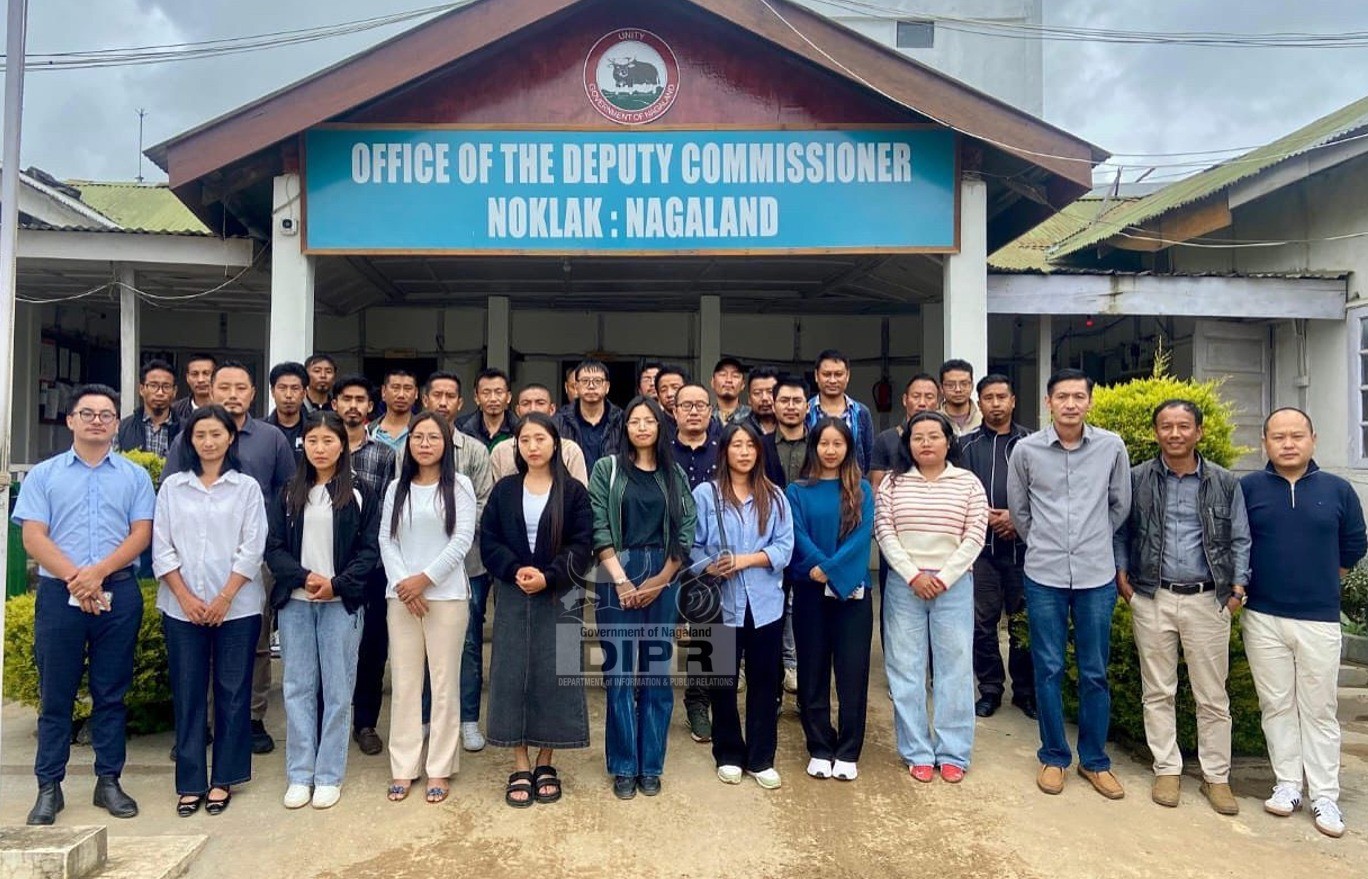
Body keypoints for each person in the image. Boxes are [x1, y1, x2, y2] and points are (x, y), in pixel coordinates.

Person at [15, 384, 156, 826]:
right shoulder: (45, 474)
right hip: (61, 597)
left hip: (118, 592)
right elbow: (33, 535)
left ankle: (108, 781)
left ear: (116, 424)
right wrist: (78, 579)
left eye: (107, 415)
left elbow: (141, 533)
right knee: (55, 696)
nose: (98, 420)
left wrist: (96, 575)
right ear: (71, 419)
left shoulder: (133, 476)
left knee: (111, 694)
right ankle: (48, 786)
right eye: (88, 413)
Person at [1114, 399, 1250, 815]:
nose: (1175, 434)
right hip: (1152, 597)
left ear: (1199, 432)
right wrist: (1124, 579)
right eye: (1167, 427)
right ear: (1156, 432)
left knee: (1212, 696)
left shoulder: (1224, 482)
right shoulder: (1137, 479)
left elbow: (1241, 538)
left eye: (1183, 426)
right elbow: (1121, 531)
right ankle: (1167, 769)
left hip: (1209, 599)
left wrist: (1237, 590)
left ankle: (1216, 778)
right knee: (1157, 690)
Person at [1241, 407, 1366, 838]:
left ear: (1313, 438)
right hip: (1262, 615)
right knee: (1276, 703)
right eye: (1278, 437)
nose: (1288, 443)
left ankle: (1326, 794)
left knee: (1319, 708)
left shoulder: (1337, 490)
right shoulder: (1249, 488)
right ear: (1265, 443)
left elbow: (1353, 546)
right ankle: (1288, 785)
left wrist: (1320, 581)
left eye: (1296, 435)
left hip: (1317, 618)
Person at [1007, 368, 1131, 800]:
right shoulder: (1026, 450)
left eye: (1079, 396)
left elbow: (1120, 506)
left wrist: (1091, 542)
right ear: (1049, 402)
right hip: (1044, 574)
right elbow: (1019, 512)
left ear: (1090, 402)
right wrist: (1047, 542)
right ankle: (1054, 756)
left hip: (1097, 575)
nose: (1071, 404)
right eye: (1063, 396)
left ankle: (1095, 761)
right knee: (1049, 668)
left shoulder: (1112, 447)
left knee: (1095, 672)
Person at [166, 360, 295, 756]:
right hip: (194, 566)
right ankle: (202, 723)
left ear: (253, 394)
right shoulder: (189, 438)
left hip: (256, 559)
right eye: (225, 387)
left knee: (253, 643)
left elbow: (287, 494)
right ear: (209, 390)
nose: (232, 395)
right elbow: (169, 501)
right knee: (197, 646)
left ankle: (251, 718)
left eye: (241, 387)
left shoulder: (271, 438)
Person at [153, 405, 267, 818]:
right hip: (181, 609)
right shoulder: (172, 488)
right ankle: (190, 782)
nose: (208, 441)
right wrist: (184, 597)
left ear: (230, 438)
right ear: (190, 440)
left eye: (216, 434)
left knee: (233, 693)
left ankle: (224, 779)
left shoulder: (247, 489)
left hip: (236, 609)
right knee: (188, 693)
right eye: (199, 434)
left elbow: (252, 549)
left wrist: (223, 598)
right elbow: (161, 548)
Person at [265, 412, 380, 810]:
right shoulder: (287, 492)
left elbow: (370, 551)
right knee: (297, 687)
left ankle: (329, 774)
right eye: (312, 440)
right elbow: (274, 547)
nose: (320, 448)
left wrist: (336, 584)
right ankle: (300, 773)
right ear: (303, 445)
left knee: (337, 689)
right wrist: (302, 577)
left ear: (343, 445)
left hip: (340, 605)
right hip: (296, 604)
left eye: (328, 441)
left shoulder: (360, 491)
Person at [480, 413, 594, 807]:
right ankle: (520, 761)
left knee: (555, 673)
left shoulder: (574, 492)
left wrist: (550, 575)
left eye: (540, 439)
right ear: (517, 447)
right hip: (513, 591)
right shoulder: (505, 490)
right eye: (524, 440)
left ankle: (547, 758)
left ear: (554, 444)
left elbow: (582, 545)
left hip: (558, 593)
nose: (532, 446)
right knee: (512, 673)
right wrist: (514, 569)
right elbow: (490, 539)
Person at [588, 396, 697, 799]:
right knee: (618, 675)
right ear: (625, 427)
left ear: (660, 426)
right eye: (635, 420)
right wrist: (620, 580)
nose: (642, 426)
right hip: (617, 568)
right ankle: (622, 764)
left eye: (650, 420)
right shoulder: (608, 469)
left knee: (656, 674)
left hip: (664, 572)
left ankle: (651, 764)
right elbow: (598, 523)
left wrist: (663, 578)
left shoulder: (674, 474)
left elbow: (687, 526)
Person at [876, 411, 987, 784]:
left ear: (948, 441)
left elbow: (975, 533)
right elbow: (884, 530)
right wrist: (912, 574)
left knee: (954, 670)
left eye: (933, 436)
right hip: (905, 586)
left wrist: (943, 577)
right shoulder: (893, 483)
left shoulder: (968, 483)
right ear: (907, 444)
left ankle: (954, 751)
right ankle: (917, 751)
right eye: (917, 437)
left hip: (953, 586)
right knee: (905, 669)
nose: (925, 443)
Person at [378, 412, 477, 804]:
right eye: (417, 437)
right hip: (400, 599)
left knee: (443, 684)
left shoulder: (460, 486)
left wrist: (425, 580)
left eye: (433, 437)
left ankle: (439, 766)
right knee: (404, 685)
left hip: (447, 598)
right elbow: (387, 540)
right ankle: (403, 767)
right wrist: (405, 585)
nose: (424, 443)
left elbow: (462, 539)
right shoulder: (395, 489)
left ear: (445, 443)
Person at [691, 422, 794, 790]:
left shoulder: (775, 496)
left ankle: (761, 757)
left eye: (751, 445)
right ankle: (728, 753)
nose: (745, 452)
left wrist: (746, 560)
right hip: (718, 602)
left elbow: (785, 548)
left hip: (765, 603)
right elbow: (692, 546)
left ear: (759, 452)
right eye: (737, 445)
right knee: (721, 680)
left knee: (765, 681)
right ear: (725, 451)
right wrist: (710, 564)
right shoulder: (705, 494)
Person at [787, 418, 875, 781]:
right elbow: (795, 532)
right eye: (824, 443)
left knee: (852, 673)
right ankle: (820, 746)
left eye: (838, 444)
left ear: (848, 448)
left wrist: (832, 569)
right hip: (810, 590)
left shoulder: (863, 489)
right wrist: (818, 567)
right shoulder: (797, 490)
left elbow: (863, 535)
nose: (830, 450)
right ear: (814, 447)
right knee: (812, 670)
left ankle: (849, 750)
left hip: (853, 592)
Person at [420, 371, 495, 751]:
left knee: (466, 644)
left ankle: (466, 718)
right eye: (438, 395)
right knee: (420, 644)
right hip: (418, 571)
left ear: (461, 403)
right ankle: (425, 718)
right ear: (426, 400)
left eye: (451, 395)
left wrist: (450, 540)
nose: (444, 402)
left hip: (468, 566)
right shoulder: (410, 448)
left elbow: (484, 504)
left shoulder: (476, 451)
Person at [959, 374, 1035, 720]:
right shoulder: (966, 446)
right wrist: (986, 518)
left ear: (1013, 400)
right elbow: (957, 492)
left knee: (1023, 622)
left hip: (1026, 551)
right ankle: (990, 689)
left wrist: (1016, 520)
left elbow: (1046, 494)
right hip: (982, 551)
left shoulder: (1033, 444)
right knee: (982, 623)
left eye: (1001, 397)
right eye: (988, 398)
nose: (995, 403)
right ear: (979, 403)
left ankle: (1025, 691)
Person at [333, 375, 397, 757]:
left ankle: (366, 723)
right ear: (335, 403)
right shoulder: (319, 447)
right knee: (332, 649)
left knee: (372, 648)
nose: (353, 406)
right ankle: (333, 722)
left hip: (371, 568)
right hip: (326, 568)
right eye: (346, 399)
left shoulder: (384, 454)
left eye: (360, 399)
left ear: (370, 407)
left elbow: (389, 514)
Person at [670, 383, 722, 743]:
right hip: (665, 556)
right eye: (685, 405)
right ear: (673, 411)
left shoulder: (723, 451)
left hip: (708, 561)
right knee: (654, 632)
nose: (693, 411)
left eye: (700, 405)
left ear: (710, 411)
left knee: (709, 637)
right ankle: (647, 695)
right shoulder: (660, 451)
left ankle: (698, 703)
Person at [491, 384, 589, 484]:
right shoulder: (501, 451)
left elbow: (580, 494)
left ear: (552, 409)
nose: (533, 409)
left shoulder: (570, 451)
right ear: (518, 411)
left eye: (540, 403)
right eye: (526, 404)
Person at [805, 349, 874, 475]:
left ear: (847, 376)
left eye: (838, 374)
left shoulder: (861, 412)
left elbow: (868, 456)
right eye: (826, 374)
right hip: (813, 484)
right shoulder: (805, 412)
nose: (832, 380)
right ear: (816, 376)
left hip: (852, 486)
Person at [868, 374, 940, 489]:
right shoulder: (886, 439)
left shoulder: (946, 439)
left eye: (929, 397)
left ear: (938, 403)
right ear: (905, 400)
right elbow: (876, 487)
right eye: (916, 396)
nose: (922, 403)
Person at [555, 359, 624, 470]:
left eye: (597, 381)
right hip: (571, 486)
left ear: (607, 387)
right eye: (585, 381)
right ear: (576, 386)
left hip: (611, 485)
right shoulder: (559, 421)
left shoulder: (621, 420)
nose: (591, 386)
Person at [117, 359, 181, 458]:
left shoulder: (186, 429)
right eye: (153, 386)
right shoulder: (123, 428)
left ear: (174, 391)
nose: (160, 392)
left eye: (166, 386)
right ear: (141, 389)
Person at [459, 367, 519, 450]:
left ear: (508, 397)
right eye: (486, 393)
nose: (493, 399)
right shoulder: (461, 429)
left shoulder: (519, 430)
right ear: (476, 398)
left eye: (499, 392)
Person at [370, 368, 419, 454]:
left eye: (407, 389)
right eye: (395, 388)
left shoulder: (423, 430)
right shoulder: (369, 431)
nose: (401, 395)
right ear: (383, 391)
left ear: (416, 393)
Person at [265, 361, 308, 456]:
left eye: (295, 388)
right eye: (282, 388)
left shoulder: (314, 429)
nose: (288, 395)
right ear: (272, 392)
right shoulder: (259, 431)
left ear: (304, 393)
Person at [938, 359, 982, 436]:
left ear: (972, 386)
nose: (958, 389)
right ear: (941, 388)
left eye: (964, 384)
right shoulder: (934, 420)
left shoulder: (984, 419)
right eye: (950, 385)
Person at [171, 353, 217, 421]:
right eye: (194, 374)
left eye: (206, 373)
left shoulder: (226, 408)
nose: (200, 380)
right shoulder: (175, 410)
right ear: (187, 378)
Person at [711, 357, 751, 426]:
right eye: (722, 374)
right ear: (712, 382)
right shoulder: (706, 416)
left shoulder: (752, 416)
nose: (728, 380)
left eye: (735, 376)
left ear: (743, 385)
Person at [745, 366, 780, 435]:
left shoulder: (794, 427)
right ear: (749, 398)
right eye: (757, 393)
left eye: (770, 392)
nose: (764, 398)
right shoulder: (740, 429)